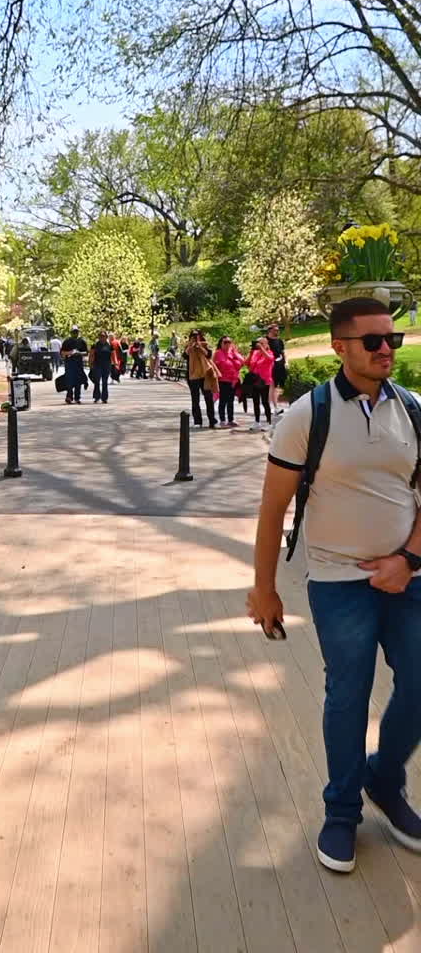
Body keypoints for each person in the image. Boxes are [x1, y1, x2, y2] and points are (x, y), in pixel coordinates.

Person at [247, 296, 421, 876]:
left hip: (407, 578)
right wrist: (264, 589)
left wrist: (408, 560)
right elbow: (272, 510)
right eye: (372, 341)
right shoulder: (307, 416)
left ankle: (384, 779)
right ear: (339, 347)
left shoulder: (413, 410)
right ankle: (342, 812)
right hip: (337, 580)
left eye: (392, 339)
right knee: (348, 694)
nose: (386, 349)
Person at [185, 330, 218, 428]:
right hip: (193, 376)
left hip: (205, 375)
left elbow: (209, 355)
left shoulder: (205, 345)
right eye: (193, 336)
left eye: (197, 336)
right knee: (195, 399)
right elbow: (185, 355)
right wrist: (191, 346)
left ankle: (212, 420)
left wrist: (200, 347)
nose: (195, 338)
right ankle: (197, 421)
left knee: (208, 398)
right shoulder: (188, 346)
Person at [213, 336, 245, 427]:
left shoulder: (233, 353)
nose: (227, 344)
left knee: (231, 401)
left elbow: (242, 362)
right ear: (221, 343)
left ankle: (231, 419)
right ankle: (222, 420)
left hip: (233, 381)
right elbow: (214, 366)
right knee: (223, 400)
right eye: (225, 342)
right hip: (223, 380)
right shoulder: (218, 353)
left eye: (229, 342)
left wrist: (235, 352)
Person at [245, 335, 274, 430]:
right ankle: (257, 421)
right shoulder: (255, 353)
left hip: (264, 381)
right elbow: (246, 363)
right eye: (258, 343)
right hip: (254, 380)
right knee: (255, 402)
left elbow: (270, 359)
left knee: (265, 402)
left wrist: (262, 349)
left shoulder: (269, 353)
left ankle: (269, 422)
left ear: (266, 344)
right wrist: (251, 353)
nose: (259, 345)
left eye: (262, 343)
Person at [61, 325, 88, 404]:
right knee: (69, 381)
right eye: (73, 332)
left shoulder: (82, 341)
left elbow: (86, 352)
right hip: (69, 364)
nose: (75, 333)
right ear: (71, 333)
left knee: (78, 381)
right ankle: (69, 396)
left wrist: (79, 353)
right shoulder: (67, 341)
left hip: (78, 364)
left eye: (76, 332)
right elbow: (62, 353)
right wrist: (70, 352)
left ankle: (77, 397)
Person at [267, 322, 287, 414]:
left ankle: (274, 406)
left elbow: (283, 353)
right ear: (270, 330)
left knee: (277, 386)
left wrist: (285, 362)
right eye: (275, 330)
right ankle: (271, 407)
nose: (277, 332)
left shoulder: (279, 341)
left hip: (280, 365)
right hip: (269, 366)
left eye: (278, 330)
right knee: (271, 386)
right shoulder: (265, 341)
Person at [89, 330, 113, 403]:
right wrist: (90, 364)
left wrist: (114, 364)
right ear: (98, 337)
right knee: (97, 381)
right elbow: (91, 355)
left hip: (106, 365)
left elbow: (112, 355)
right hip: (97, 365)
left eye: (103, 336)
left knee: (105, 382)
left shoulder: (109, 345)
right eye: (100, 336)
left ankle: (104, 398)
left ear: (106, 337)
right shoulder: (95, 345)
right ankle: (97, 397)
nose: (102, 337)